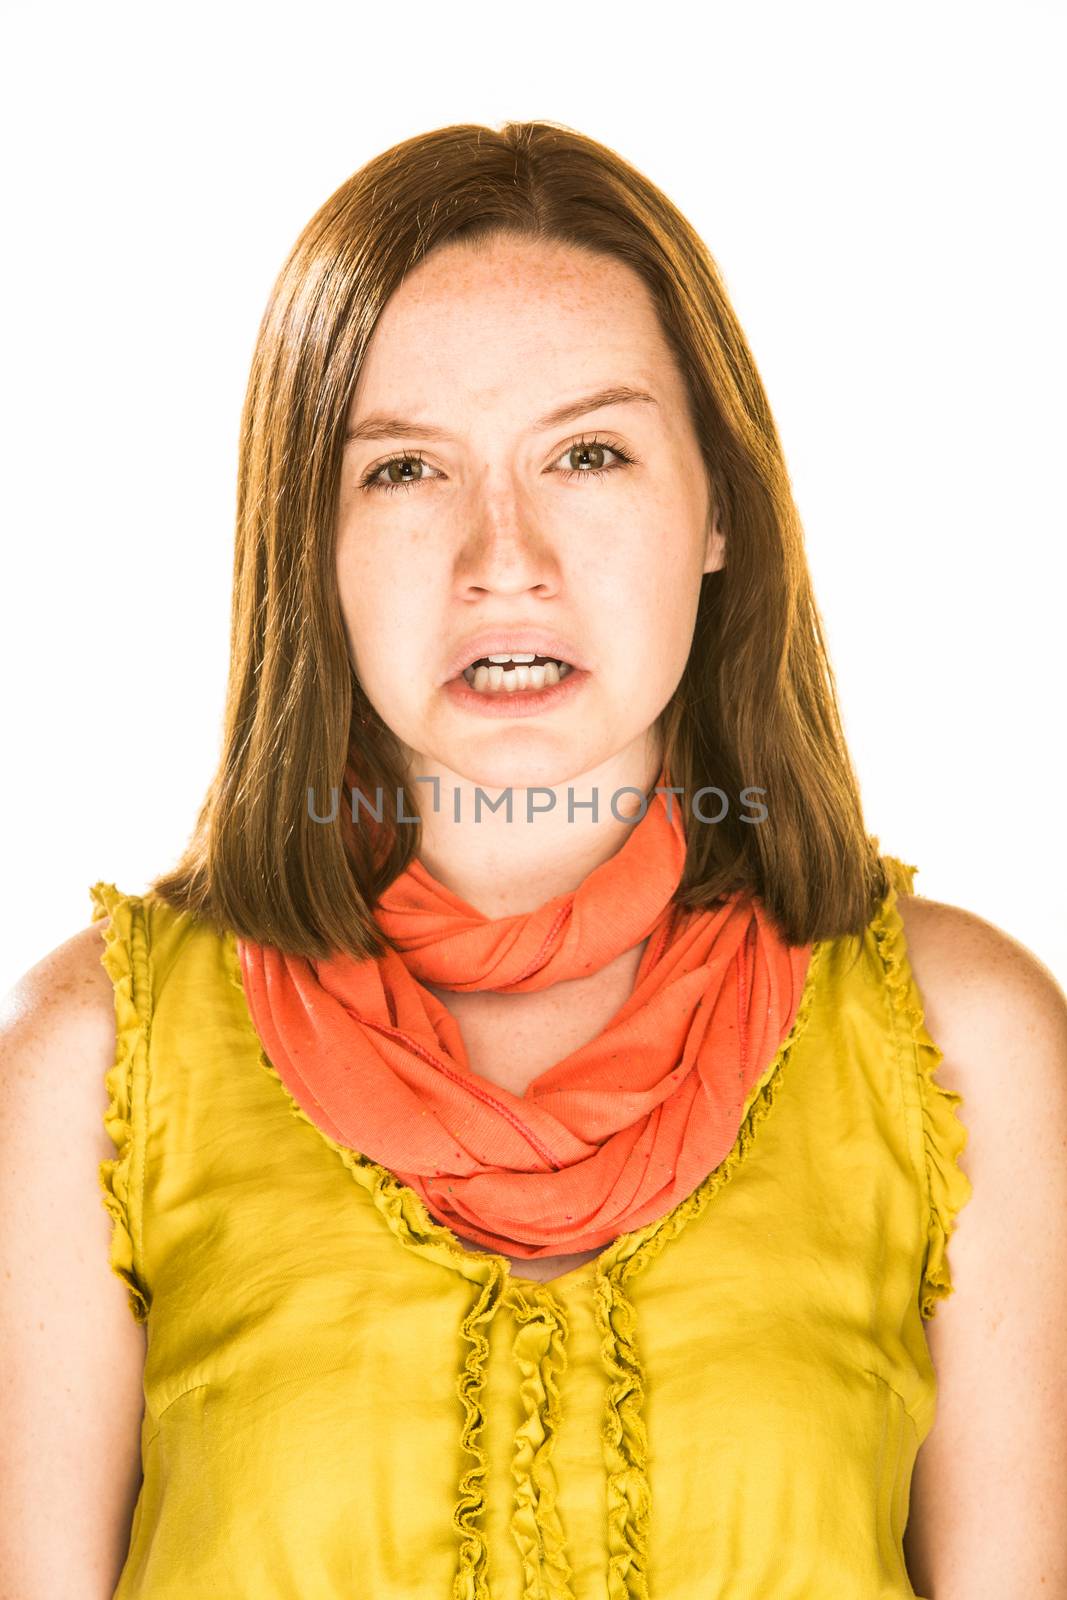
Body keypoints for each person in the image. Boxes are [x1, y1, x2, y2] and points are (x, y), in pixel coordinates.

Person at [3, 120, 1065, 1600]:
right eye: (402, 472)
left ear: (718, 511)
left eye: (589, 452)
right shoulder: (96, 1063)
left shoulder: (965, 1043)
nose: (504, 557)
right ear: (307, 540)